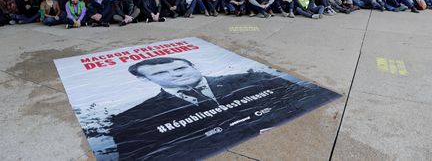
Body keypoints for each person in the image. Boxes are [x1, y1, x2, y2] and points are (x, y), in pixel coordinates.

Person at [109, 57, 339, 160]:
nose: (175, 74)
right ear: (145, 80)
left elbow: (301, 97)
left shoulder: (253, 78)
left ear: (193, 65)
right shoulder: (132, 119)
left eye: (180, 68)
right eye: (160, 73)